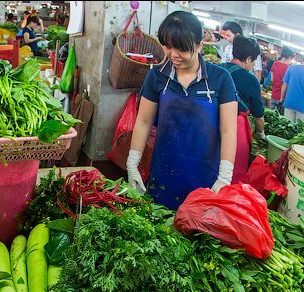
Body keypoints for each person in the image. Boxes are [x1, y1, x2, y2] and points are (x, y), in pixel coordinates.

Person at [126, 11, 238, 209]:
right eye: (168, 46)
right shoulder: (157, 76)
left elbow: (229, 130)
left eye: (181, 49)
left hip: (205, 178)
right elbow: (143, 121)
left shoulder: (221, 79)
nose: (173, 55)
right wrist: (132, 163)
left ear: (199, 45)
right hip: (163, 171)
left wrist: (224, 177)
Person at [220, 36, 265, 183]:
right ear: (248, 59)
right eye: (253, 62)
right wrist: (261, 134)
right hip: (235, 130)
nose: (252, 65)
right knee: (231, 175)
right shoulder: (251, 80)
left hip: (211, 124)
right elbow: (259, 116)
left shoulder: (219, 69)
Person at [281, 53, 304, 124]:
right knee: (298, 131)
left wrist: (282, 98)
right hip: (302, 108)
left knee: (287, 126)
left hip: (289, 103)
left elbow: (284, 84)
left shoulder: (291, 67)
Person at [265, 46, 294, 111]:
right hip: (282, 98)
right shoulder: (289, 68)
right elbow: (288, 84)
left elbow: (271, 80)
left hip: (273, 95)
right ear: (289, 57)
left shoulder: (275, 64)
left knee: (270, 115)